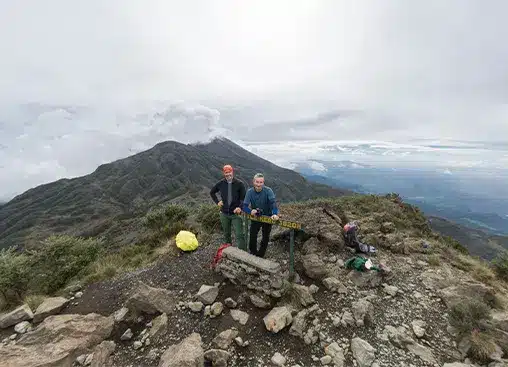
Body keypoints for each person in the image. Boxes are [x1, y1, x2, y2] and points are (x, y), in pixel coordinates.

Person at [242, 173, 279, 258]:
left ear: (263, 182)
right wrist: (250, 211)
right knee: (252, 235)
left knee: (265, 236)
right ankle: (253, 253)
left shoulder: (268, 191)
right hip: (256, 216)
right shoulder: (250, 192)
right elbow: (244, 206)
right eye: (257, 182)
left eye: (261, 182)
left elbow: (273, 203)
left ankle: (261, 255)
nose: (259, 184)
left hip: (267, 216)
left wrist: (274, 214)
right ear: (253, 182)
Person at [210, 165, 247, 250]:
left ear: (232, 172)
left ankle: (243, 253)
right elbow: (212, 192)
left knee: (239, 235)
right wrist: (217, 202)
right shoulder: (220, 183)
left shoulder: (239, 184)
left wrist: (240, 207)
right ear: (224, 173)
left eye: (229, 172)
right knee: (226, 234)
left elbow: (243, 199)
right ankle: (228, 250)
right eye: (226, 172)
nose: (228, 174)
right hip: (224, 214)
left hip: (236, 214)